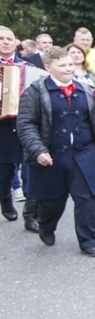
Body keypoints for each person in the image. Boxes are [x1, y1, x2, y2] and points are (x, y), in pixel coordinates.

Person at [16, 46, 95, 257]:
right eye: (63, 65)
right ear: (48, 67)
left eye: (70, 64)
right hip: (52, 156)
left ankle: (88, 241)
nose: (69, 68)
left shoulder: (85, 90)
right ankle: (46, 226)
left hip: (82, 154)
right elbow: (26, 124)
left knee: (86, 198)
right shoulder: (35, 91)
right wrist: (38, 150)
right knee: (52, 201)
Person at [0, 26, 25, 223]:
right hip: (3, 125)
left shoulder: (26, 65)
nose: (5, 41)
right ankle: (5, 198)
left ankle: (32, 212)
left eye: (9, 38)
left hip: (25, 122)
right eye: (1, 38)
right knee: (5, 169)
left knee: (31, 167)